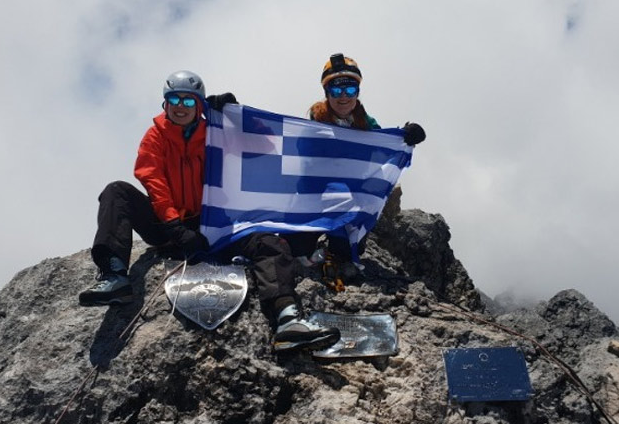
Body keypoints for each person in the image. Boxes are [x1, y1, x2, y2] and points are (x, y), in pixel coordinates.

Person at [78, 70, 340, 352]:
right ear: (165, 103)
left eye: (188, 101)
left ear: (200, 105)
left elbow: (264, 145)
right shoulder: (155, 136)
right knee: (117, 192)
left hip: (214, 224)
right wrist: (174, 226)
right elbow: (152, 179)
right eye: (174, 99)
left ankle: (287, 318)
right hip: (168, 228)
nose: (180, 106)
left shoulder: (217, 133)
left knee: (268, 243)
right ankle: (115, 276)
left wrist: (236, 117)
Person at [286, 53, 427, 284]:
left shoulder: (367, 125)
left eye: (350, 89)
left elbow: (384, 148)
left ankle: (335, 249)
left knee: (348, 250)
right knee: (296, 249)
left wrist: (405, 135)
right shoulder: (313, 125)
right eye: (336, 90)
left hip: (349, 200)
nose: (343, 96)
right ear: (327, 93)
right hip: (313, 197)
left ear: (358, 92)